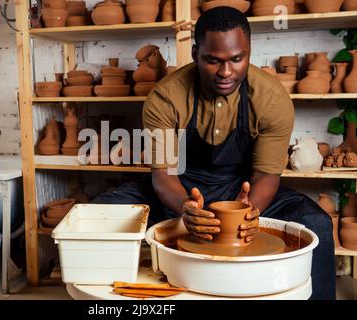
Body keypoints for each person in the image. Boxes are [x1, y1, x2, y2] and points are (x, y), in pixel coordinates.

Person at [92, 6, 335, 300]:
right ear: (196, 53)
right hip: (181, 186)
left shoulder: (271, 98)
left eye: (236, 59)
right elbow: (164, 175)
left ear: (249, 51)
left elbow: (266, 176)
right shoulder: (166, 97)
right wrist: (185, 208)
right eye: (213, 60)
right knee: (100, 213)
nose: (226, 72)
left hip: (243, 187)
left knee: (317, 223)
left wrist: (247, 212)